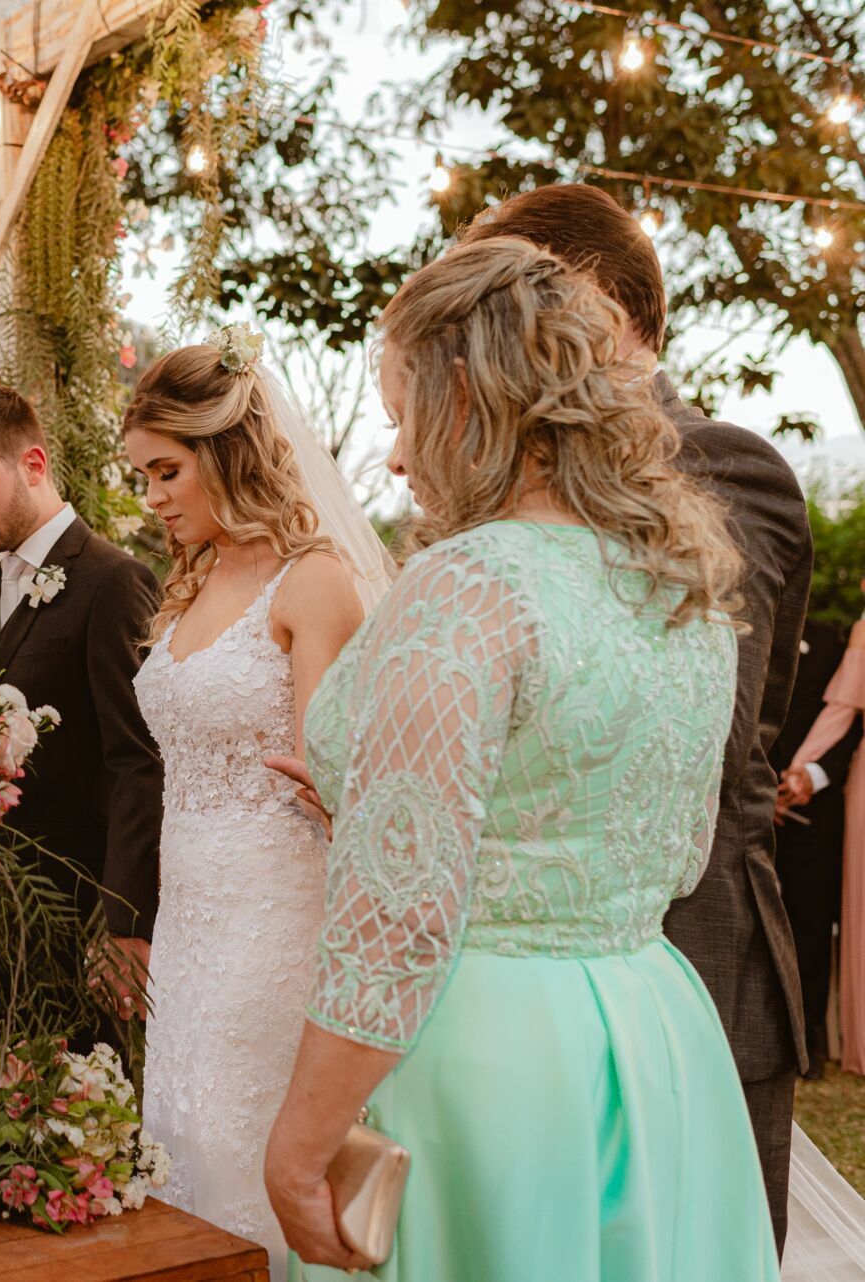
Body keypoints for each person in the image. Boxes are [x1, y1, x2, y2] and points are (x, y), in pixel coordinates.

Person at [266, 237, 776, 1278]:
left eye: (403, 413)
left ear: (463, 394)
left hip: (486, 1051)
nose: (398, 456)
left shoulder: (469, 583)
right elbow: (656, 845)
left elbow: (403, 909)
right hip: (653, 1026)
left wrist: (299, 1144)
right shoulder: (678, 588)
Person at [457, 184, 813, 1248]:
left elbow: (700, 729)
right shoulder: (522, 486)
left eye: (515, 306)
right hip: (548, 987)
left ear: (604, 314)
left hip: (687, 949)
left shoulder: (714, 463)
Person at [121, 329, 375, 1262]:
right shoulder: (186, 585)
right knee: (181, 1132)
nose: (151, 499)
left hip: (275, 913)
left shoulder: (313, 581)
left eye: (165, 472)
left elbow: (332, 773)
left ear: (225, 453)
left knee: (241, 1134)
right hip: (187, 918)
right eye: (142, 477)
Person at [0, 385, 162, 995]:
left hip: (78, 913)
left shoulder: (114, 582)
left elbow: (140, 762)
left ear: (33, 464)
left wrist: (127, 921)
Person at [775, 616, 860, 1077]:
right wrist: (762, 787)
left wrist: (810, 776)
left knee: (809, 927)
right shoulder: (744, 627)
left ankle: (809, 1047)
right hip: (752, 806)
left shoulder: (834, 640)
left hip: (817, 810)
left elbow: (849, 723)